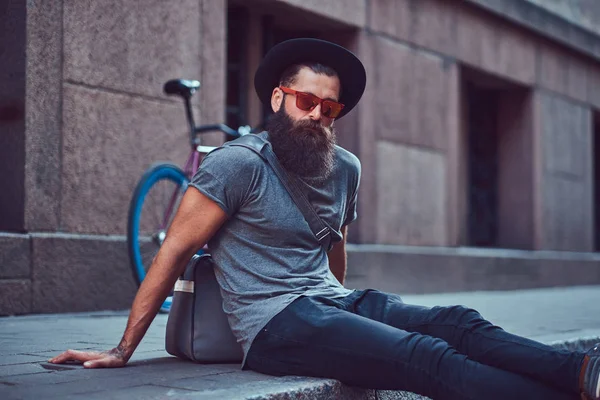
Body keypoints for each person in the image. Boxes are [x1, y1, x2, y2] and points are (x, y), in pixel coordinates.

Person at [50, 38, 599, 400]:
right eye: (306, 102)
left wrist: (347, 306)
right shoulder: (236, 164)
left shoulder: (344, 168)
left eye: (329, 109)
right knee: (425, 357)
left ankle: (579, 374)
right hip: (274, 325)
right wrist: (122, 350)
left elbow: (334, 241)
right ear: (279, 96)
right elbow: (171, 253)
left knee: (459, 322)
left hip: (330, 302)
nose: (317, 115)